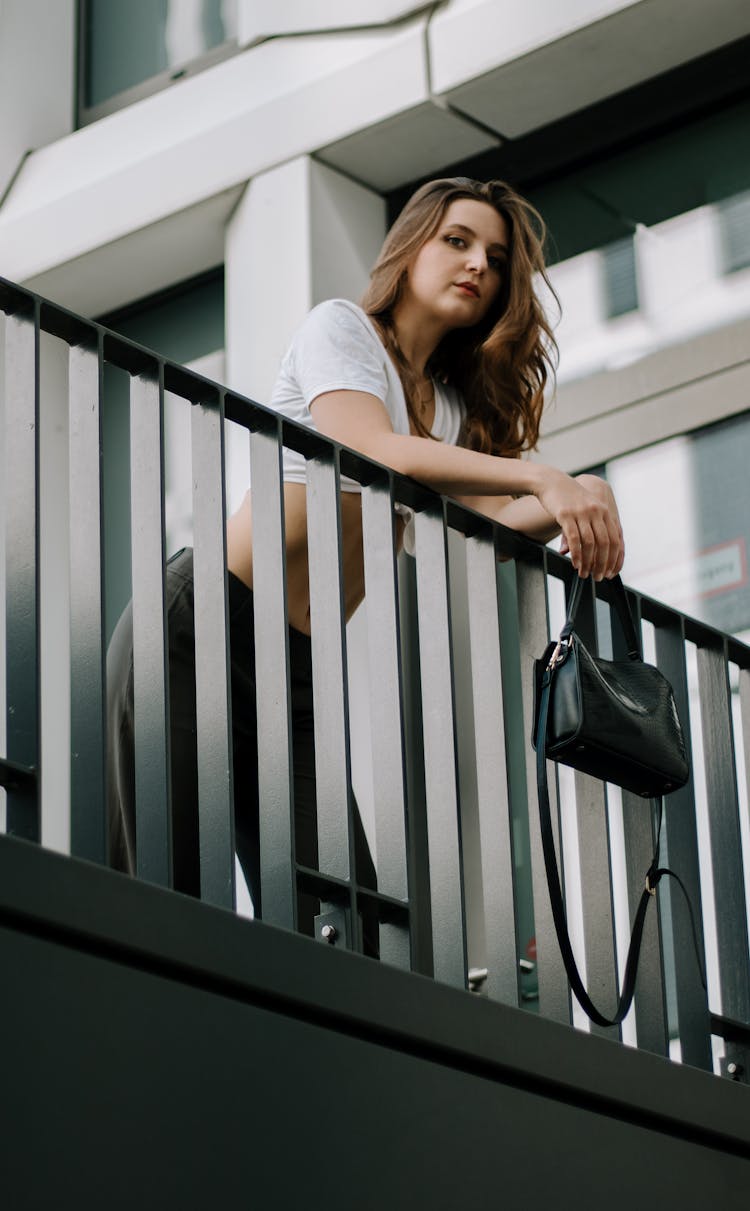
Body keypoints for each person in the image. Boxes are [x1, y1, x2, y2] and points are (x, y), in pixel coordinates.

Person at [108, 176, 624, 941]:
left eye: (495, 258)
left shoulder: (444, 410)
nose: (478, 264)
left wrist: (581, 491)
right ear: (410, 247)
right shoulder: (340, 330)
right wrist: (540, 474)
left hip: (298, 672)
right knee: (166, 899)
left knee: (346, 920)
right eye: (457, 241)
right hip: (199, 628)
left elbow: (490, 529)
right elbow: (371, 450)